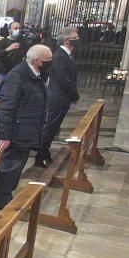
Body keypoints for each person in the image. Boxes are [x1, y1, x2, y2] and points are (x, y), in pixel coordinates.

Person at [0, 44, 53, 209]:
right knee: (10, 165)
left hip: (27, 129)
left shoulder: (35, 73)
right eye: (48, 60)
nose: (50, 62)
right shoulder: (17, 76)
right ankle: (1, 199)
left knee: (17, 165)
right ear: (36, 60)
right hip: (16, 131)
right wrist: (5, 135)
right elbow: (6, 107)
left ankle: (7, 194)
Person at [37, 26, 80, 167]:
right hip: (58, 97)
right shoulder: (60, 56)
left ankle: (44, 152)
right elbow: (64, 80)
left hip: (62, 98)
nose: (78, 39)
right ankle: (41, 155)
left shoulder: (67, 55)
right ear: (67, 40)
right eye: (75, 37)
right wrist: (75, 95)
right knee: (50, 128)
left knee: (53, 128)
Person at [0, 20, 29, 92]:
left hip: (15, 73)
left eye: (19, 28)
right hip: (2, 72)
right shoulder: (2, 42)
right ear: (9, 30)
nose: (18, 30)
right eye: (15, 28)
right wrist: (8, 49)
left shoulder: (22, 43)